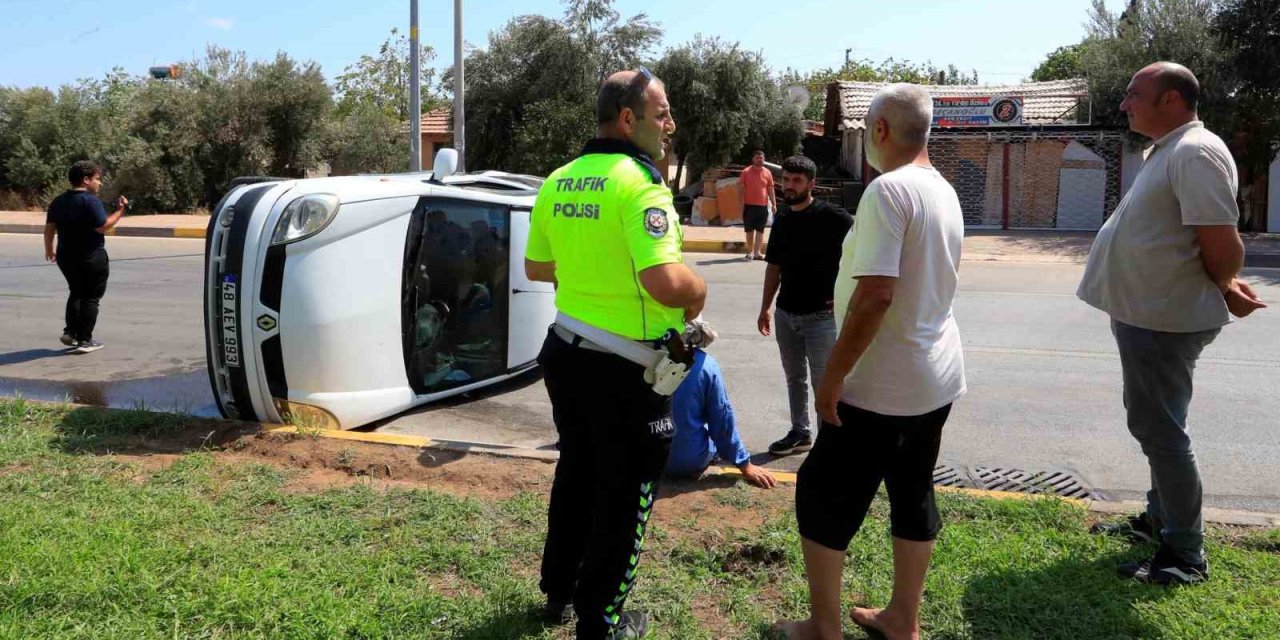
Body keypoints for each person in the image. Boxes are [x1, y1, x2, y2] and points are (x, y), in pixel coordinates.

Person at [775, 83, 966, 640]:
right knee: (912, 491)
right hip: (935, 377)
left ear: (879, 131)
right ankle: (902, 619)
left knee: (820, 494)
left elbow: (876, 296)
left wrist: (831, 378)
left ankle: (822, 627)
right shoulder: (943, 190)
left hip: (881, 384)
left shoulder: (888, 193)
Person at [525, 66, 706, 640]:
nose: (669, 125)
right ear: (628, 120)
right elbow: (665, 283)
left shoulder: (559, 179)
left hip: (566, 352)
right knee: (625, 494)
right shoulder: (640, 184)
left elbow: (537, 268)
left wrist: (590, 272)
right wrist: (699, 292)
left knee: (577, 471)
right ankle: (602, 619)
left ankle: (558, 592)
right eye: (661, 114)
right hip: (625, 371)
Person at [1078, 62, 1265, 585]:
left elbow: (1223, 242)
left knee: (1161, 432)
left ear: (1172, 100)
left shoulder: (1195, 152)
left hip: (1163, 320)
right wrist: (1225, 288)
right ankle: (1161, 521)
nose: (1124, 103)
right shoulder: (1172, 150)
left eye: (1135, 94)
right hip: (1149, 314)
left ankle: (1184, 553)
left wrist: (1226, 285)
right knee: (1161, 427)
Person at [757, 156, 852, 456]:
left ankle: (830, 443)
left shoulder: (833, 217)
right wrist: (766, 307)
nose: (789, 185)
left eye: (797, 180)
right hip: (787, 313)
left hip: (822, 316)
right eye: (786, 179)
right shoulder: (783, 217)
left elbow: (863, 244)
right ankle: (801, 432)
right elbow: (774, 266)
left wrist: (849, 289)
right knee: (794, 378)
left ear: (811, 184)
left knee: (824, 382)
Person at [43, 161, 127, 355]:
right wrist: (121, 211)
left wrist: (49, 248)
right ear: (86, 179)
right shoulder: (90, 201)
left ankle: (71, 332)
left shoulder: (59, 200)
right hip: (91, 257)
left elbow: (49, 228)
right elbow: (103, 226)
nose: (100, 184)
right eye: (97, 179)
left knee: (76, 292)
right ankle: (85, 340)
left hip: (66, 257)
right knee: (91, 298)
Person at [666, 348, 776, 488]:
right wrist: (745, 465)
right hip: (688, 461)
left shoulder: (633, 357)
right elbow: (722, 422)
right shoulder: (705, 364)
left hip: (642, 461)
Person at [738, 149, 775, 260]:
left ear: (764, 159)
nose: (759, 160)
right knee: (749, 230)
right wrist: (741, 204)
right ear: (753, 159)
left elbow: (770, 189)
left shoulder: (767, 172)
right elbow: (740, 189)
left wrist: (774, 204)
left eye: (761, 158)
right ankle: (750, 252)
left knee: (760, 230)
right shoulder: (746, 172)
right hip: (748, 206)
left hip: (763, 206)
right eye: (757, 158)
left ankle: (757, 252)